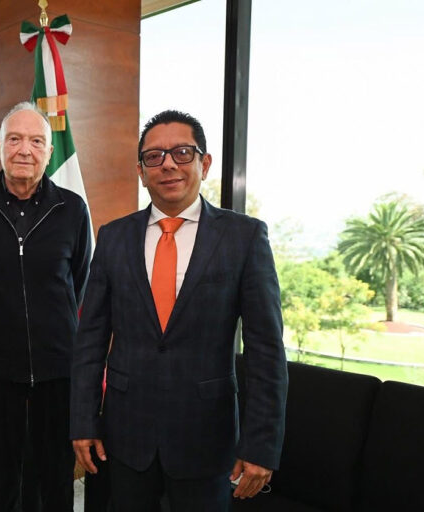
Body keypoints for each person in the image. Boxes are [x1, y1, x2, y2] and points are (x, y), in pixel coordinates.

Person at [70, 110, 288, 511]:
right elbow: (90, 342)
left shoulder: (243, 238)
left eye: (182, 153)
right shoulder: (114, 237)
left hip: (207, 438)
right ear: (141, 171)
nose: (168, 164)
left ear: (205, 164)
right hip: (125, 434)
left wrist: (261, 445)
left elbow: (266, 351)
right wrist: (83, 421)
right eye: (154, 156)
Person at [0, 102, 91, 511]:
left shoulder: (72, 209)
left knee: (56, 482)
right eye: (14, 139)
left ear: (50, 152)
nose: (24, 150)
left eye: (36, 141)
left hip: (58, 373)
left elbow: (78, 285)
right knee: (3, 483)